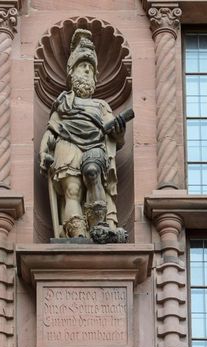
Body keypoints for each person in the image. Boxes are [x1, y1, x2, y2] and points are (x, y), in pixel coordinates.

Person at [39, 29, 128, 243]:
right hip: (67, 145)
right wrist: (43, 152)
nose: (87, 70)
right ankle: (77, 234)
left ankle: (99, 226)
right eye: (82, 66)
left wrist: (119, 129)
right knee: (72, 189)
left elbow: (116, 136)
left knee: (92, 172)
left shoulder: (101, 105)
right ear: (72, 72)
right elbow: (52, 131)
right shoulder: (64, 102)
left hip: (95, 146)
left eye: (90, 68)